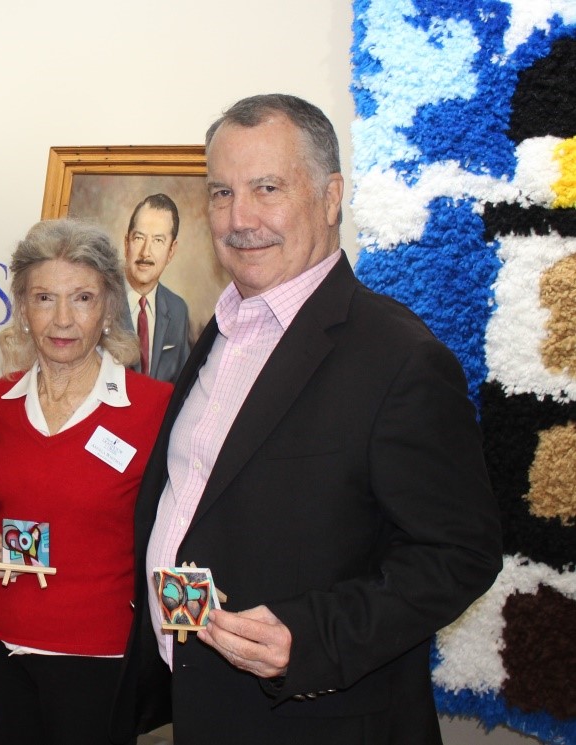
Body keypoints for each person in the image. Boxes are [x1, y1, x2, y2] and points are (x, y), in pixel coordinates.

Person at [110, 94, 503, 744]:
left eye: (267, 188)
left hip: (314, 718)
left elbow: (461, 552)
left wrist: (311, 637)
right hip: (198, 708)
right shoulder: (221, 331)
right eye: (221, 193)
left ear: (330, 197)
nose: (240, 219)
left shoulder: (400, 357)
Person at [0, 219, 172, 745]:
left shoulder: (152, 409)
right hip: (5, 644)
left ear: (108, 307)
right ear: (23, 308)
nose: (62, 319)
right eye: (44, 298)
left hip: (98, 657)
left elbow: (172, 533)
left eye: (81, 297)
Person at [121, 194, 191, 383]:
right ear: (127, 244)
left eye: (158, 240)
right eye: (139, 238)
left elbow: (180, 385)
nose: (146, 252)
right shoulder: (99, 300)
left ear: (171, 251)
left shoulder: (178, 310)